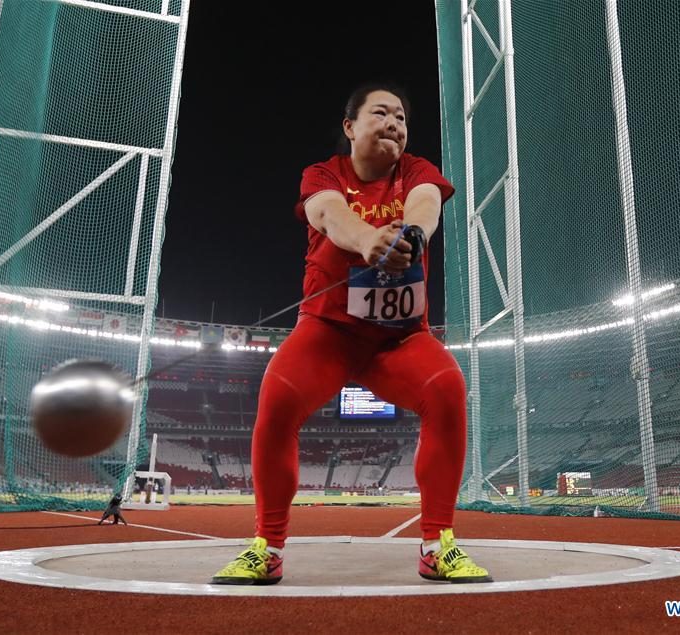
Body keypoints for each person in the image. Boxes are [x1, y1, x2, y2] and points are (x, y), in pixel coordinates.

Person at [210, 83, 491, 585]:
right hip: (328, 334)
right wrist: (368, 241)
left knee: (448, 387)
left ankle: (437, 543)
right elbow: (328, 215)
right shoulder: (323, 175)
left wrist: (413, 235)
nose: (394, 124)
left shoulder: (416, 171)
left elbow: (427, 204)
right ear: (349, 127)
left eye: (401, 117)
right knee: (275, 400)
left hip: (399, 342)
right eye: (381, 113)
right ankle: (266, 548)